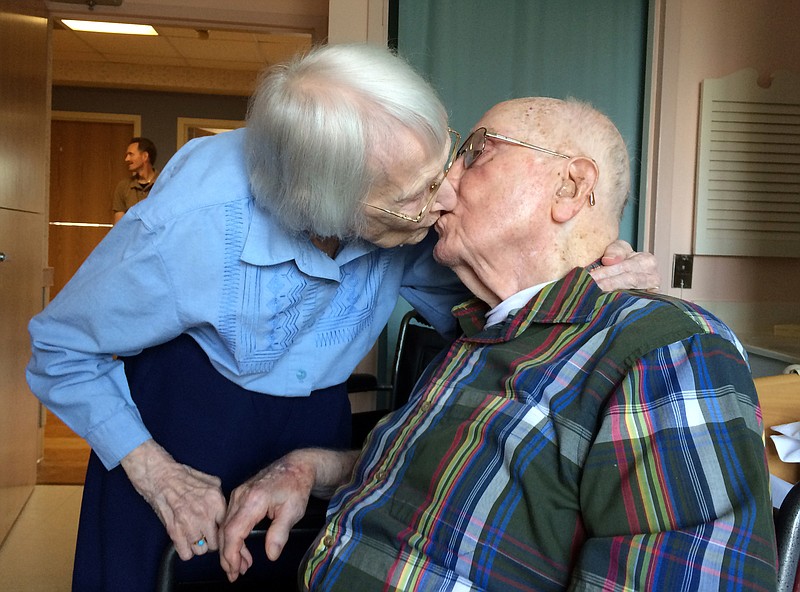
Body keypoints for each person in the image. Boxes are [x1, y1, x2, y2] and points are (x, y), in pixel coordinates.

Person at [27, 44, 657, 591]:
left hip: (312, 428)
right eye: (411, 197)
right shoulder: (193, 223)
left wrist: (597, 273)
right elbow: (59, 347)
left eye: (444, 164)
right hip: (176, 425)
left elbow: (502, 318)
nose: (443, 198)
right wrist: (154, 470)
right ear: (321, 206)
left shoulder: (409, 207)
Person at [219, 97, 776, 591]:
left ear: (571, 187)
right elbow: (437, 470)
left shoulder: (665, 349)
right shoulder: (480, 333)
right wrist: (312, 468)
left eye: (475, 152)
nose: (440, 185)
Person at [112, 136, 158, 223]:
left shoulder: (165, 183)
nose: (127, 159)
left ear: (145, 156)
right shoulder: (123, 186)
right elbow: (118, 227)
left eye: (131, 154)